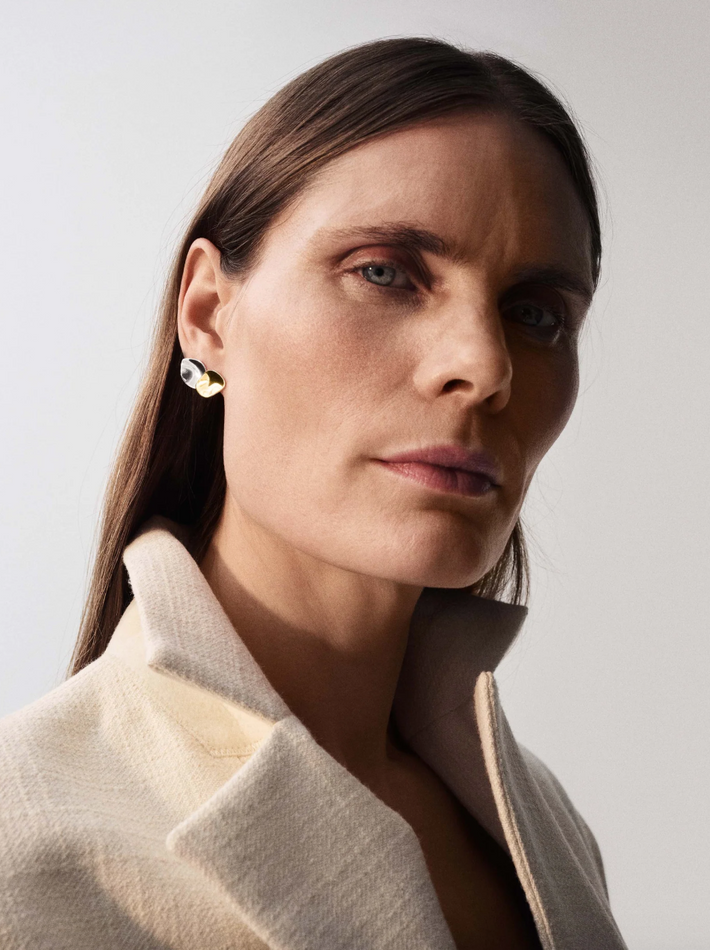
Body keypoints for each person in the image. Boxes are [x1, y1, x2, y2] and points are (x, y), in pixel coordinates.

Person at [0, 36, 629, 950]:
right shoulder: (26, 850)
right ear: (208, 313)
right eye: (384, 272)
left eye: (535, 315)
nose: (485, 366)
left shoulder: (549, 831)